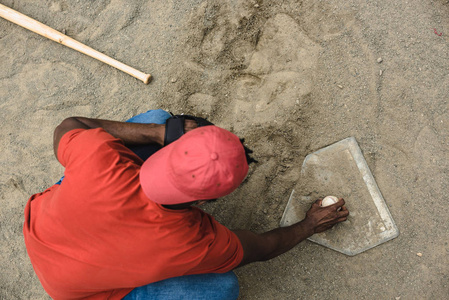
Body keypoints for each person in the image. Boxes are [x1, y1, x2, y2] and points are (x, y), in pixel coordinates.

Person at [23, 109, 349, 300]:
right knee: (222, 286)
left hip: (40, 228)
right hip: (78, 294)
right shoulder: (193, 243)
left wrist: (158, 132)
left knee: (155, 117)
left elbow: (68, 127)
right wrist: (309, 224)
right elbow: (261, 248)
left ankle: (157, 128)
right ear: (209, 198)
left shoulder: (101, 159)